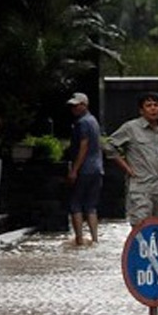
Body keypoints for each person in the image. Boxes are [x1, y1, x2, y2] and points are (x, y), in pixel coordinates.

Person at [106, 91, 158, 226]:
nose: (153, 108)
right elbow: (108, 145)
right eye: (148, 105)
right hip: (140, 186)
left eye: (156, 105)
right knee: (140, 225)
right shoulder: (130, 128)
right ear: (141, 110)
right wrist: (127, 168)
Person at [65, 92, 103, 245]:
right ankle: (94, 239)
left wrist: (74, 170)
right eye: (72, 105)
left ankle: (79, 239)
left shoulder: (82, 123)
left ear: (84, 105)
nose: (73, 108)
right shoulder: (93, 121)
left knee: (75, 203)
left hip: (85, 169)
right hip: (97, 169)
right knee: (91, 206)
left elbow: (84, 146)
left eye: (76, 105)